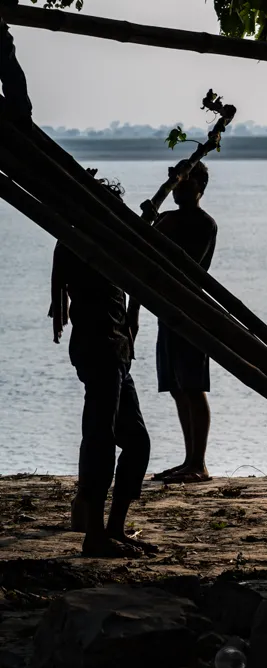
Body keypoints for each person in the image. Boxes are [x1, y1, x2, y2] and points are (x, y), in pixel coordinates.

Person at [49, 176, 151, 558]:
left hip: (118, 352)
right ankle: (94, 535)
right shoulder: (82, 243)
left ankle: (114, 529)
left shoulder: (106, 242)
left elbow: (133, 276)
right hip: (99, 349)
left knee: (136, 442)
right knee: (100, 439)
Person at [150, 162, 218, 483]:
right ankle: (188, 458)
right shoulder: (166, 219)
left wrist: (158, 227)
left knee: (193, 386)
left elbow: (185, 261)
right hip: (166, 309)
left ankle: (199, 462)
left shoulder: (205, 224)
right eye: (176, 184)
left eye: (185, 184)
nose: (178, 189)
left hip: (191, 310)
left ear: (200, 187)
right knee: (177, 388)